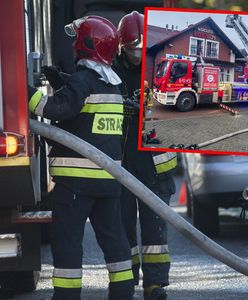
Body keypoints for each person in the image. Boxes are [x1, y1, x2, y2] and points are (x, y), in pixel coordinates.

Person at [28, 16, 134, 300]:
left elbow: (56, 109)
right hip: (108, 181)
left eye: (78, 39)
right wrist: (65, 82)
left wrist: (23, 93)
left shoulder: (83, 81)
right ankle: (123, 292)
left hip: (76, 182)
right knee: (115, 241)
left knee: (68, 243)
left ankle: (66, 297)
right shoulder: (113, 85)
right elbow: (89, 117)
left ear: (86, 44)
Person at [113, 11, 177, 300]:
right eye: (132, 50)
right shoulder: (110, 71)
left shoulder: (161, 67)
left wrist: (149, 107)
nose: (138, 55)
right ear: (121, 47)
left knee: (155, 231)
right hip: (122, 163)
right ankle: (125, 284)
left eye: (142, 49)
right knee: (122, 228)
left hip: (154, 166)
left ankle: (155, 285)